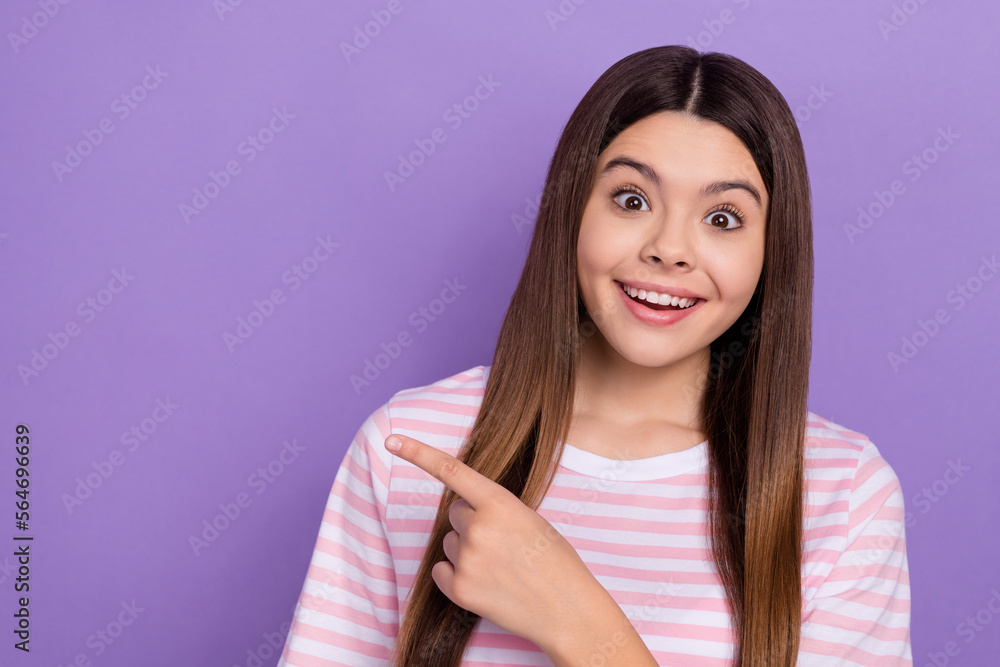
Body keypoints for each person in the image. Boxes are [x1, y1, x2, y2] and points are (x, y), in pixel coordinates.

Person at [276, 45, 912, 666]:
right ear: (572, 211)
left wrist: (574, 619)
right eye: (632, 200)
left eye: (722, 218)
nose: (670, 248)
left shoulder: (843, 494)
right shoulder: (410, 449)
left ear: (771, 252)